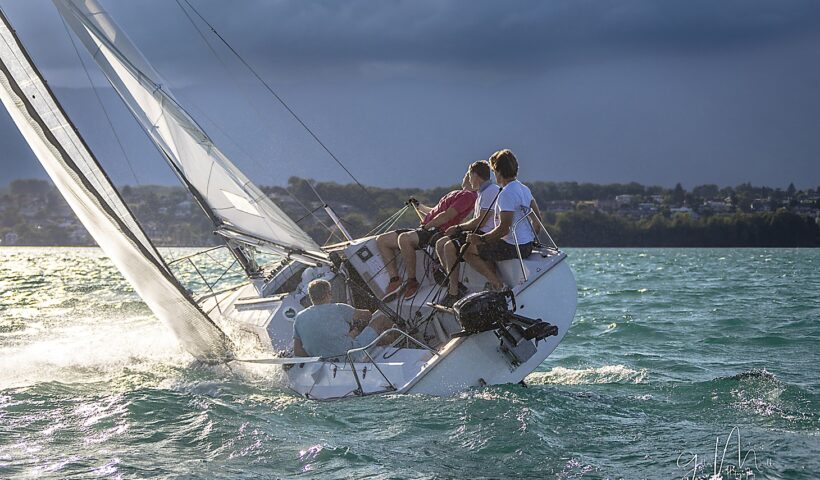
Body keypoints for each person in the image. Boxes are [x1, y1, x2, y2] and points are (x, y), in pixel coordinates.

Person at [376, 170, 477, 300]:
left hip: (437, 231)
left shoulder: (468, 195)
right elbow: (434, 212)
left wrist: (428, 226)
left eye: (467, 175)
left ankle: (412, 281)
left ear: (471, 178)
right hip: (427, 228)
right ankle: (395, 279)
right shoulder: (457, 193)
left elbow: (446, 216)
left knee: (404, 238)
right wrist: (419, 206)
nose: (464, 177)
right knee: (382, 240)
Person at [463, 149, 543, 290]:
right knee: (486, 245)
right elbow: (537, 221)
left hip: (512, 247)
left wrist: (481, 239)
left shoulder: (506, 193)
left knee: (467, 250)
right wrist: (531, 240)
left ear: (499, 171)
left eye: (494, 171)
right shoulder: (524, 189)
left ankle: (497, 284)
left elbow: (504, 228)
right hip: (527, 246)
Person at [435, 160, 499, 306]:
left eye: (470, 176)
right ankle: (455, 285)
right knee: (440, 243)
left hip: (484, 233)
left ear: (475, 176)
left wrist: (458, 228)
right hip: (478, 231)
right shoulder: (482, 192)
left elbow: (480, 221)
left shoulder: (490, 191)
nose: (469, 180)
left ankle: (454, 292)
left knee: (449, 247)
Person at [293, 279, 393, 358]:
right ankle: (401, 339)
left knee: (356, 337)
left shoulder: (299, 318)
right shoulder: (338, 308)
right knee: (381, 320)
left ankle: (390, 341)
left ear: (311, 297)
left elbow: (297, 351)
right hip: (352, 355)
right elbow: (367, 315)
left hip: (329, 366)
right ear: (328, 294)